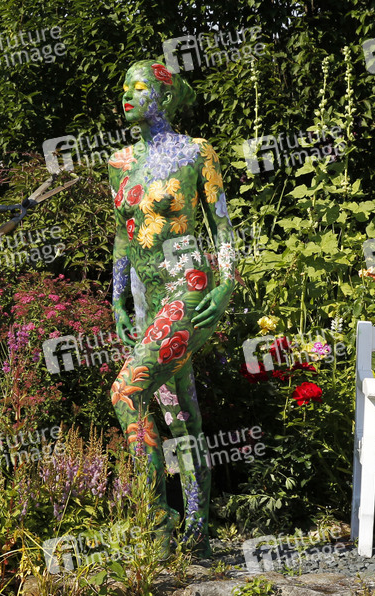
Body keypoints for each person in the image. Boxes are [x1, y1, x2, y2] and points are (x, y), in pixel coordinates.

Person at [108, 60, 236, 557]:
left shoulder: (195, 152)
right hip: (146, 303)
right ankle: (198, 533)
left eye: (139, 86)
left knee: (126, 392)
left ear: (164, 97)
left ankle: (155, 528)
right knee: (179, 414)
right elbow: (123, 235)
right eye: (125, 86)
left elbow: (222, 227)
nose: (127, 94)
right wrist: (117, 298)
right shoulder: (119, 163)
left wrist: (225, 288)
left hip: (189, 289)